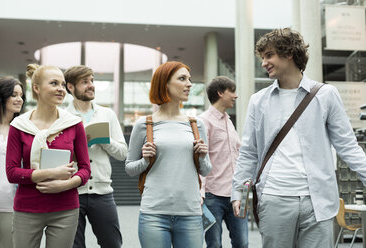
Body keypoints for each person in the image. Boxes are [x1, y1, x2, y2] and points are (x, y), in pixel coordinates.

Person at [231, 27, 366, 248]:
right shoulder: (259, 100)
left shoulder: (326, 94)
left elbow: (348, 146)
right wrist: (238, 190)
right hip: (274, 196)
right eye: (262, 57)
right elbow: (249, 151)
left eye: (269, 55)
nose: (264, 63)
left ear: (289, 53)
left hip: (318, 200)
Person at [125, 61, 212, 248]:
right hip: (154, 214)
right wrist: (145, 160)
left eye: (189, 79)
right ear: (164, 84)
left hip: (190, 213)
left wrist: (203, 155)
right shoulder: (144, 124)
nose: (189, 84)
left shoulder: (196, 124)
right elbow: (130, 168)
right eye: (182, 79)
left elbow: (205, 171)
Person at [6, 64, 91, 248]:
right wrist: (49, 174)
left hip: (66, 208)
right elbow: (12, 173)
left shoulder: (74, 124)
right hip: (27, 208)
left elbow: (85, 169)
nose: (61, 89)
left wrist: (66, 184)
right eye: (54, 83)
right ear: (36, 88)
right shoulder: (19, 125)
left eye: (62, 84)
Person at [64, 65, 128, 248]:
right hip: (71, 191)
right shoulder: (62, 116)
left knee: (112, 243)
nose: (91, 85)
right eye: (84, 82)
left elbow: (123, 153)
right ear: (70, 87)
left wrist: (104, 140)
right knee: (74, 246)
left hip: (102, 192)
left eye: (92, 81)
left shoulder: (107, 114)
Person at [199, 76, 248, 248]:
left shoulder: (228, 120)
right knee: (214, 245)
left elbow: (239, 153)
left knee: (242, 243)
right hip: (213, 196)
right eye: (232, 91)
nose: (236, 96)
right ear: (220, 93)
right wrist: (201, 193)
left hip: (236, 194)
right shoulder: (204, 121)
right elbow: (200, 159)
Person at [0, 77, 25, 248]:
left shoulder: (24, 130)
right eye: (14, 95)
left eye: (21, 95)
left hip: (12, 204)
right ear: (1, 96)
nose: (19, 99)